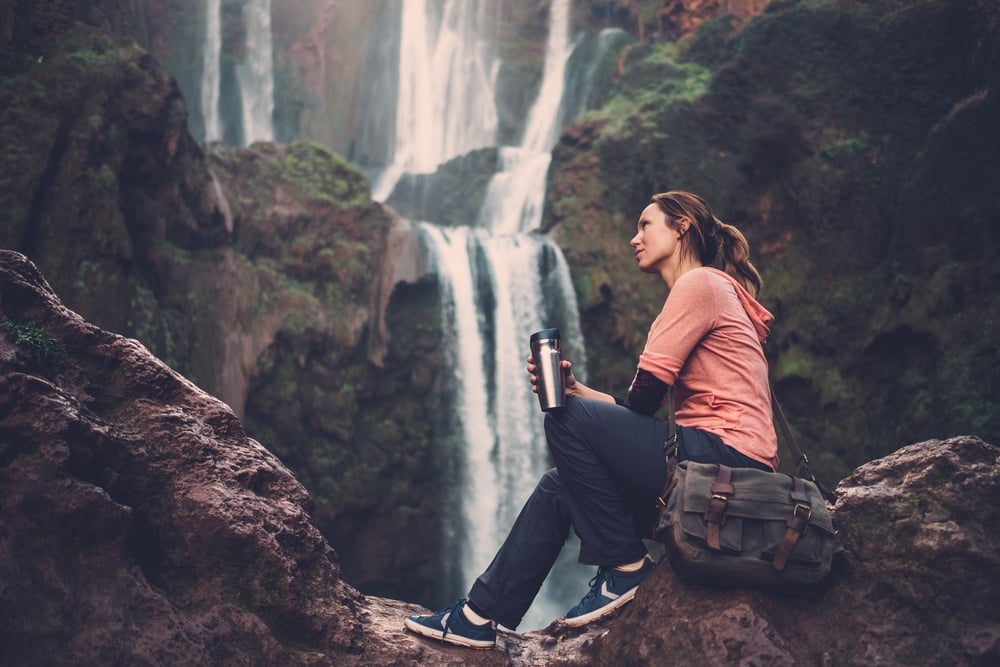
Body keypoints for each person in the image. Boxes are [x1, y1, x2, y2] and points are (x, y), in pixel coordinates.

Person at [404, 191, 779, 649]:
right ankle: (478, 616)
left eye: (645, 225)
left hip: (725, 466)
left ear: (681, 227)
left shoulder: (699, 283)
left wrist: (575, 406)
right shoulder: (714, 289)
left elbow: (643, 400)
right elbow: (643, 413)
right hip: (709, 464)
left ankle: (624, 568)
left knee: (561, 417)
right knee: (558, 486)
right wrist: (579, 391)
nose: (634, 239)